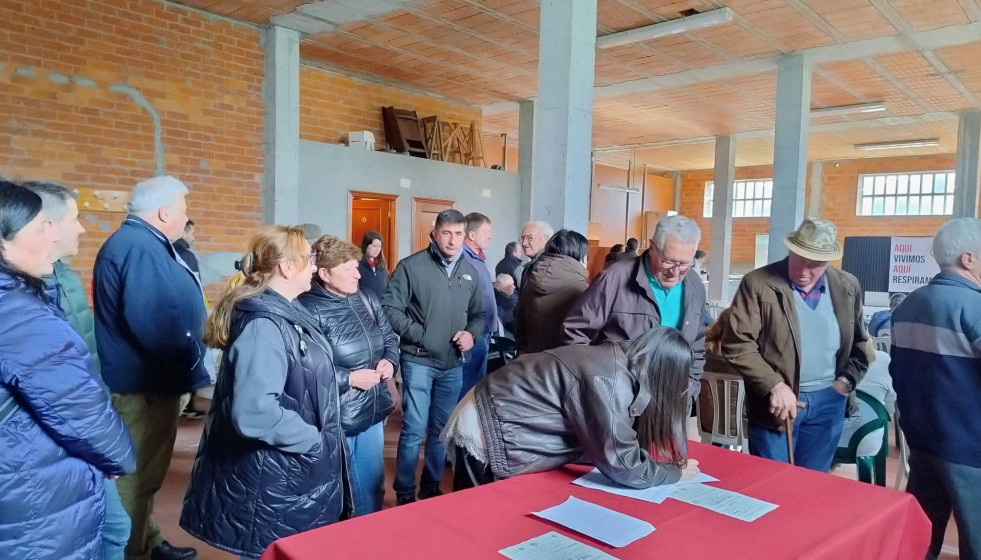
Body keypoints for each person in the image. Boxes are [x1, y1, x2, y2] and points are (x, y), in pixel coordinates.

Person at [180, 226, 349, 559]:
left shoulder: (282, 313)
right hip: (272, 479)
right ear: (286, 267)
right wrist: (312, 439)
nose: (314, 267)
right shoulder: (265, 327)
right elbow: (255, 412)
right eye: (309, 259)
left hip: (283, 475)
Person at [0, 180, 136, 560]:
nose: (56, 235)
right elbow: (77, 407)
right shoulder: (17, 311)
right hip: (30, 477)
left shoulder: (29, 290)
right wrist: (114, 455)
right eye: (41, 227)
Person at [93, 176, 209, 560]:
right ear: (164, 212)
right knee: (138, 478)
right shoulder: (140, 247)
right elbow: (153, 322)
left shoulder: (144, 243)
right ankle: (129, 551)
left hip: (150, 383)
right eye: (183, 209)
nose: (185, 216)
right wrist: (191, 363)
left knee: (146, 475)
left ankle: (147, 540)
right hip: (144, 387)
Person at [444, 326, 701, 490]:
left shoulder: (617, 363)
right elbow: (622, 463)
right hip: (487, 423)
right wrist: (674, 472)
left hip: (493, 411)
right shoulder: (611, 378)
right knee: (474, 521)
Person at [721, 217, 868, 472]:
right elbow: (737, 343)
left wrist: (844, 384)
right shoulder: (759, 284)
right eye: (799, 259)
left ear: (828, 262)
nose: (803, 271)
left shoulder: (847, 286)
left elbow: (861, 344)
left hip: (829, 401)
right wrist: (774, 385)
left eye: (815, 265)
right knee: (771, 482)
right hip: (775, 404)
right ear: (791, 250)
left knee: (813, 484)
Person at [890, 217, 981, 560]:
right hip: (972, 449)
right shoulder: (975, 307)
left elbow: (899, 373)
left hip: (923, 443)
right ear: (967, 259)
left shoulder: (907, 305)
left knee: (920, 540)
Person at [383, 209, 485, 505]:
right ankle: (404, 492)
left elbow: (479, 314)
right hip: (418, 361)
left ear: (465, 236)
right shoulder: (411, 267)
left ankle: (430, 488)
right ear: (434, 233)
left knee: (441, 432)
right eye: (446, 233)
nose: (452, 240)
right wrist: (423, 335)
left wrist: (471, 334)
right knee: (414, 428)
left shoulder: (470, 272)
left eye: (458, 234)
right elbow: (389, 309)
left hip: (452, 364)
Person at [299, 235, 399, 516]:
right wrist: (350, 379)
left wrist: (390, 361)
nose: (358, 273)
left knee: (372, 487)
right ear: (325, 273)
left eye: (357, 266)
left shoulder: (365, 298)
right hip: (338, 417)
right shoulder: (308, 308)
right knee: (343, 493)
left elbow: (388, 337)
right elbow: (305, 366)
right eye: (348, 269)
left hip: (373, 410)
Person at [563, 215, 707, 406]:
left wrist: (691, 388)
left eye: (684, 264)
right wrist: (598, 388)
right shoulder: (614, 279)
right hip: (619, 401)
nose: (675, 272)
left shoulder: (694, 285)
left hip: (672, 403)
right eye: (668, 261)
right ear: (652, 247)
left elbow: (696, 344)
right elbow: (575, 333)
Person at [515, 229, 589, 354]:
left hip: (528, 362)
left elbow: (519, 325)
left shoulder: (531, 281)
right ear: (579, 256)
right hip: (561, 366)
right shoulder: (582, 290)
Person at [459, 212, 496, 400]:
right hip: (473, 331)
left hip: (483, 331)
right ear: (472, 235)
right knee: (468, 384)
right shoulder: (464, 259)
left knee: (477, 382)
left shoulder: (477, 257)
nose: (490, 236)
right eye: (487, 232)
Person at [174, 219, 207, 421]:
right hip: (188, 319)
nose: (193, 237)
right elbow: (195, 290)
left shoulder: (165, 252)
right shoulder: (185, 256)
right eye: (192, 232)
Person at [513, 220, 554, 290]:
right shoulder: (529, 267)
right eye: (522, 238)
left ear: (546, 238)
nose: (524, 243)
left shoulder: (551, 265)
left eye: (530, 238)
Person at [357, 230, 389, 300]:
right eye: (374, 246)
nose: (377, 249)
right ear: (366, 246)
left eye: (379, 246)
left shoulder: (381, 266)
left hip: (381, 308)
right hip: (364, 307)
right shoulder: (357, 265)